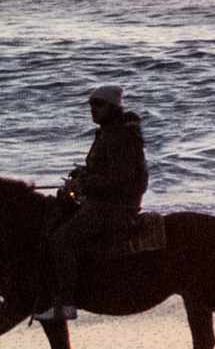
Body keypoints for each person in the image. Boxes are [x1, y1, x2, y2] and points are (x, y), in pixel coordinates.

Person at [40, 85, 148, 321]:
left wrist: (83, 183)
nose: (93, 109)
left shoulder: (121, 137)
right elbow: (105, 170)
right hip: (103, 203)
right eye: (91, 104)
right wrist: (82, 174)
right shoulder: (108, 133)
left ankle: (67, 303)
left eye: (98, 104)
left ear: (113, 107)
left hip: (114, 208)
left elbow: (122, 179)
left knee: (60, 241)